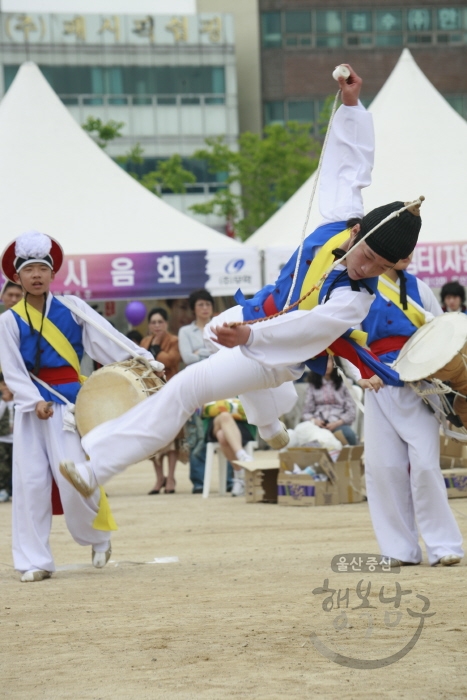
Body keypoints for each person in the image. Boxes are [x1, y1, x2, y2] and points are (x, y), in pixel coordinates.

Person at [59, 64, 423, 501]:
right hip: (251, 312)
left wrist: (250, 335)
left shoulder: (354, 300)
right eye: (368, 255)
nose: (369, 269)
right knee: (217, 337)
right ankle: (271, 423)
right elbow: (348, 166)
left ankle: (96, 467)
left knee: (185, 388)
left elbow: (305, 331)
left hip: (277, 350)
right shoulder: (335, 219)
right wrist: (350, 106)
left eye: (383, 266)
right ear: (356, 229)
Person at [0, 230, 159, 582]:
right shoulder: (8, 321)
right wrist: (32, 401)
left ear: (52, 273)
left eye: (42, 268)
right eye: (29, 270)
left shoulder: (72, 308)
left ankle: (98, 537)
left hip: (72, 406)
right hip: (32, 410)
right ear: (17, 277)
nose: (36, 275)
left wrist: (142, 360)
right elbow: (12, 370)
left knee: (73, 479)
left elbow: (108, 339)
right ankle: (34, 560)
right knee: (31, 484)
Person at [361, 258, 464, 566]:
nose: (406, 254)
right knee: (384, 468)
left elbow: (442, 332)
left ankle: (444, 545)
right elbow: (346, 338)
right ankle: (398, 549)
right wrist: (362, 373)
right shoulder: (359, 288)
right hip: (377, 382)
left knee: (425, 465)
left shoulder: (419, 287)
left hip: (420, 383)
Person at [141, 307, 181, 494]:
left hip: (169, 391)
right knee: (152, 438)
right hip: (149, 394)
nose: (157, 326)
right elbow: (139, 364)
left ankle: (171, 477)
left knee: (171, 437)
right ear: (149, 325)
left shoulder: (173, 340)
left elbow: (171, 361)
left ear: (166, 323)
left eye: (160, 322)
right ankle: (159, 478)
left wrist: (155, 352)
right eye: (153, 322)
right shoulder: (144, 342)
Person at [178, 289, 215, 493]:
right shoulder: (185, 331)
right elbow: (186, 357)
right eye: (200, 305)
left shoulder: (219, 327)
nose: (204, 308)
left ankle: (228, 481)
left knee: (220, 429)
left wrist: (198, 351)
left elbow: (225, 353)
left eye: (208, 304)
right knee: (197, 433)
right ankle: (199, 481)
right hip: (195, 385)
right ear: (194, 308)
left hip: (220, 383)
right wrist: (209, 352)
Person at [202, 399, 257, 497]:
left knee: (222, 436)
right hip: (215, 423)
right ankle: (242, 455)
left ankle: (239, 474)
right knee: (224, 416)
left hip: (242, 425)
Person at [302, 357, 357, 445]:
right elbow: (306, 413)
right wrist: (315, 421)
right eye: (322, 361)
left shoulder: (346, 383)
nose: (325, 364)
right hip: (317, 425)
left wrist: (336, 423)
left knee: (349, 435)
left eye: (328, 360)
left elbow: (351, 412)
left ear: (335, 362)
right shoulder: (312, 385)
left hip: (339, 424)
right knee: (303, 434)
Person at [0, 373, 14, 503]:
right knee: (3, 467)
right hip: (3, 439)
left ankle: (15, 491)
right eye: (4, 384)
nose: (7, 387)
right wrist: (4, 401)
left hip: (17, 440)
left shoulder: (20, 401)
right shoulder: (1, 402)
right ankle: (3, 490)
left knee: (16, 466)